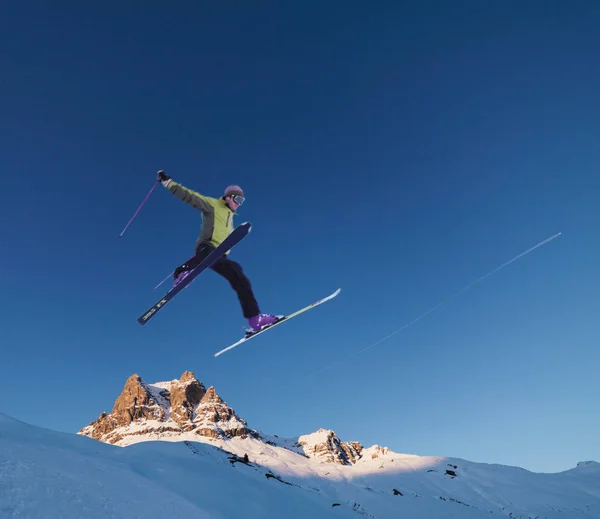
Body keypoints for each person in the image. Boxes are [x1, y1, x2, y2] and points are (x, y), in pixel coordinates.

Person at [156, 170, 281, 333]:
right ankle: (181, 273)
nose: (239, 203)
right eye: (238, 199)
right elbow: (189, 196)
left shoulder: (231, 217)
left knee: (238, 274)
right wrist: (168, 183)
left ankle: (255, 318)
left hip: (219, 256)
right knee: (206, 254)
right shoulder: (213, 205)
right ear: (229, 196)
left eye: (242, 200)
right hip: (207, 246)